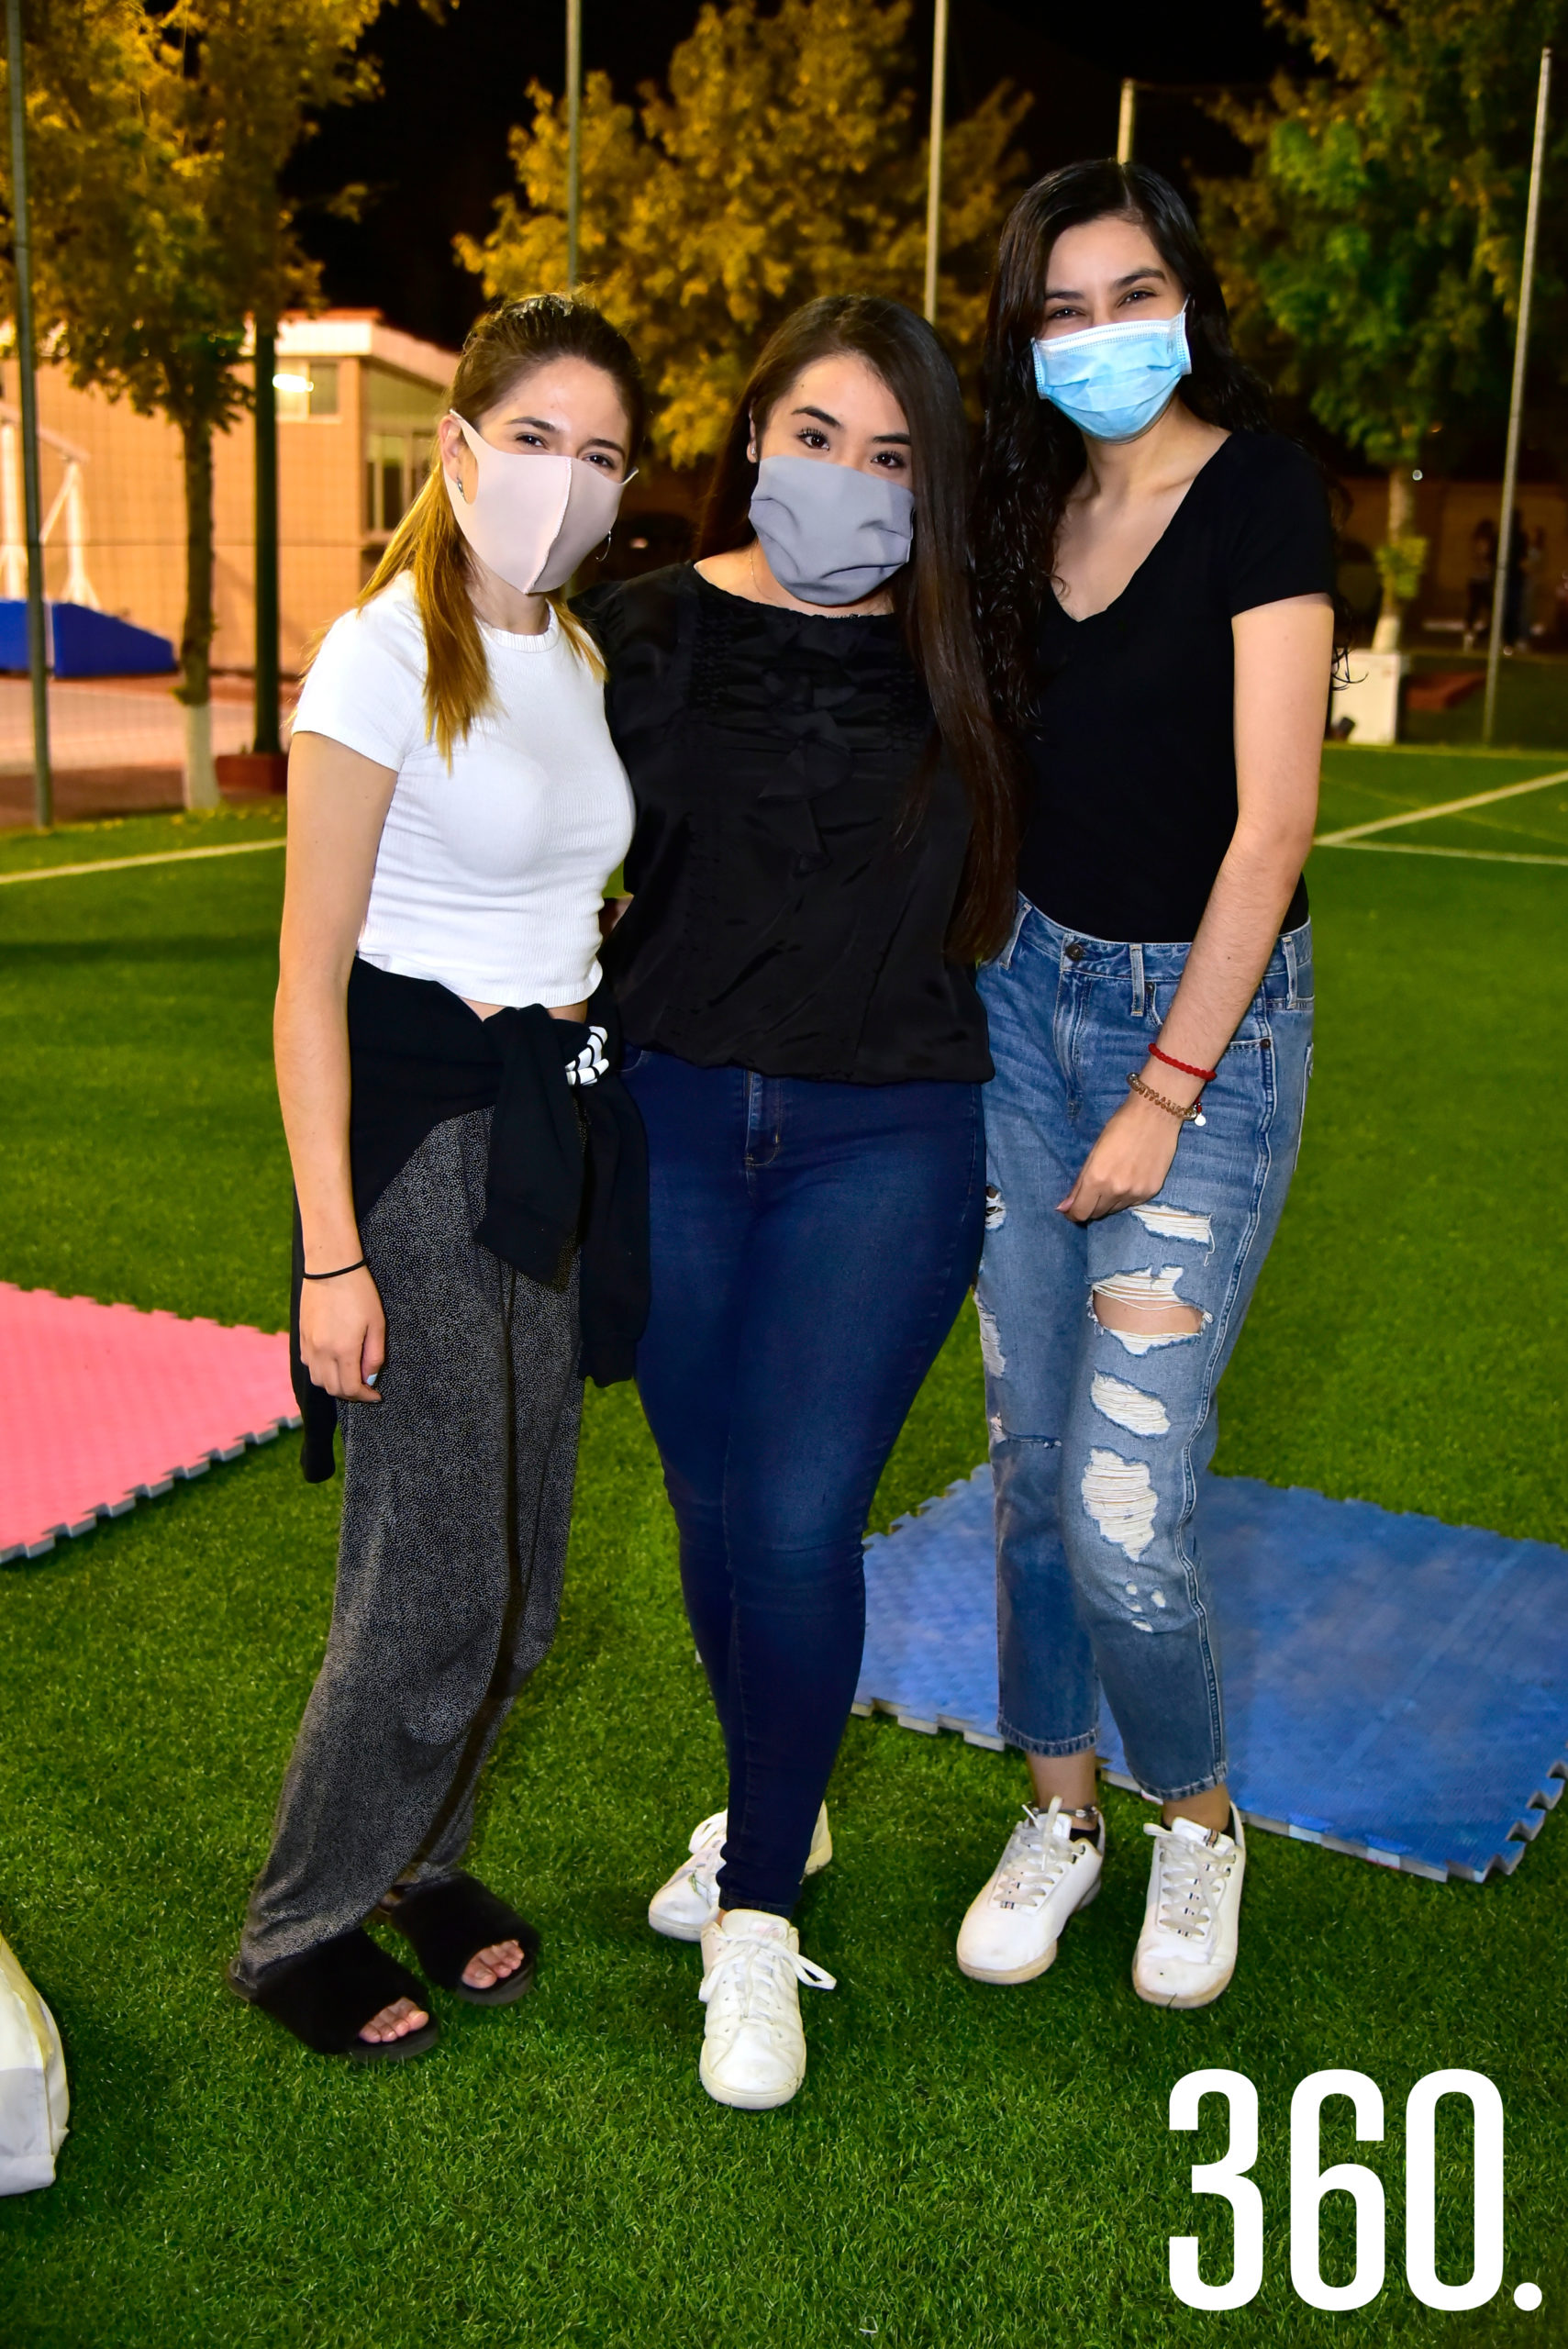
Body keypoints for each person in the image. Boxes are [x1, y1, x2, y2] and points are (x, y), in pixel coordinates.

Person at [578, 295, 1018, 2110]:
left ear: (935, 489)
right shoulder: (635, 633)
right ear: (752, 432)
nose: (848, 480)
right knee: (709, 1495)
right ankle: (786, 1794)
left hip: (887, 1138)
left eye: (894, 456)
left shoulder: (972, 658)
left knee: (799, 1510)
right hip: (667, 1114)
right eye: (819, 437)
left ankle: (758, 1913)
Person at [229, 295, 649, 2062]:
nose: (566, 481)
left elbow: (561, 888)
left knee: (527, 1571)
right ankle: (301, 1922)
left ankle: (425, 1859)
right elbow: (305, 970)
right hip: (415, 1141)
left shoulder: (581, 656)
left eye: (604, 453)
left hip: (550, 1117)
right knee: (429, 1576)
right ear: (462, 446)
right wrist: (334, 1254)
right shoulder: (380, 649)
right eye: (537, 439)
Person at [961, 162, 1335, 2010]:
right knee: (1029, 1470)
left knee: (1125, 1507)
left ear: (1189, 294)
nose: (1101, 334)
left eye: (1132, 293)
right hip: (1022, 1004)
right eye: (1062, 306)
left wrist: (1167, 1087)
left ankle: (1196, 1821)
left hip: (1198, 1029)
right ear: (1025, 337)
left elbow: (1272, 826)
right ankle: (1063, 1808)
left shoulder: (1260, 490)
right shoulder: (1021, 508)